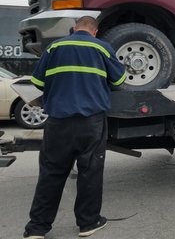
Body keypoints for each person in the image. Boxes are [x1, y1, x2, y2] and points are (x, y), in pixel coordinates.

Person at [23, 16, 126, 239]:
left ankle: (37, 229)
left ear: (73, 29)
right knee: (90, 172)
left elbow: (37, 82)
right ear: (95, 31)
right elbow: (119, 81)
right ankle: (88, 223)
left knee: (51, 173)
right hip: (91, 122)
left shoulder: (54, 47)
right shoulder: (102, 47)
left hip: (58, 121)